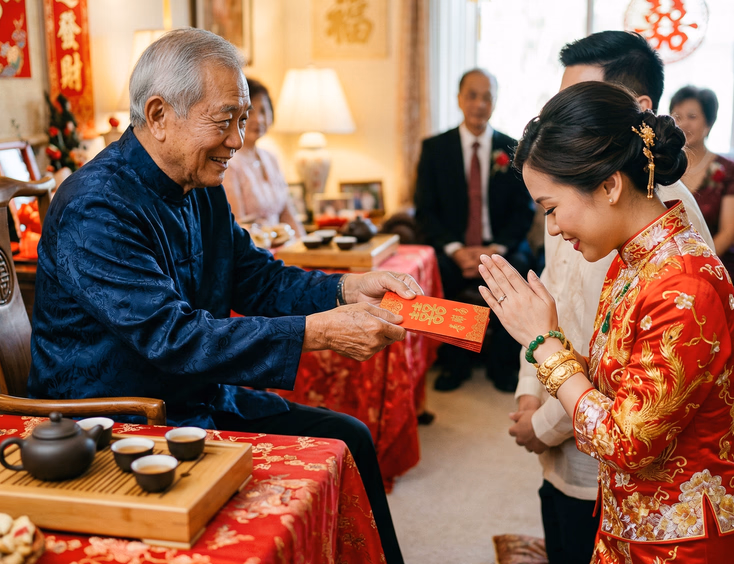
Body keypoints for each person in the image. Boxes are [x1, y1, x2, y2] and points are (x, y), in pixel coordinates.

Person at [27, 29, 414, 564]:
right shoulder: (96, 207)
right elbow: (173, 337)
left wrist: (347, 286)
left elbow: (258, 279)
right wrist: (319, 332)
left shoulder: (200, 184)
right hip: (122, 417)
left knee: (347, 436)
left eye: (243, 118)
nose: (238, 139)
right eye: (225, 120)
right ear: (159, 115)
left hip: (192, 397)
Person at [482, 80, 734, 563]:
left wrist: (546, 345)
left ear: (609, 184)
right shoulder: (632, 260)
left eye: (552, 209)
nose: (552, 229)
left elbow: (627, 443)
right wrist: (547, 339)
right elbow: (615, 378)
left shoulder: (683, 286)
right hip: (630, 518)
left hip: (677, 540)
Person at [414, 68, 535, 392]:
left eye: (487, 97)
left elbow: (524, 211)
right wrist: (454, 248)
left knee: (523, 267)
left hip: (498, 247)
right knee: (435, 270)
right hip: (454, 248)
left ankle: (504, 363)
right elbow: (425, 210)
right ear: (458, 99)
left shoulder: (513, 149)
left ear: (495, 102)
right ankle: (455, 363)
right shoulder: (435, 148)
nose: (479, 104)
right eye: (472, 95)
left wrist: (496, 249)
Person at [222, 78, 305, 236]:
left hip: (284, 247)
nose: (258, 119)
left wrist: (305, 249)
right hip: (254, 250)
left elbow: (288, 214)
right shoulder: (229, 164)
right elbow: (236, 225)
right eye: (250, 112)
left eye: (263, 111)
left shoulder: (271, 158)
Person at [670, 86, 734, 275]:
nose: (682, 124)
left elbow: (728, 231)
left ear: (709, 123)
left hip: (711, 268)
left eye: (692, 117)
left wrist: (694, 265)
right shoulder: (662, 166)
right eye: (677, 116)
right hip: (666, 267)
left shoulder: (727, 170)